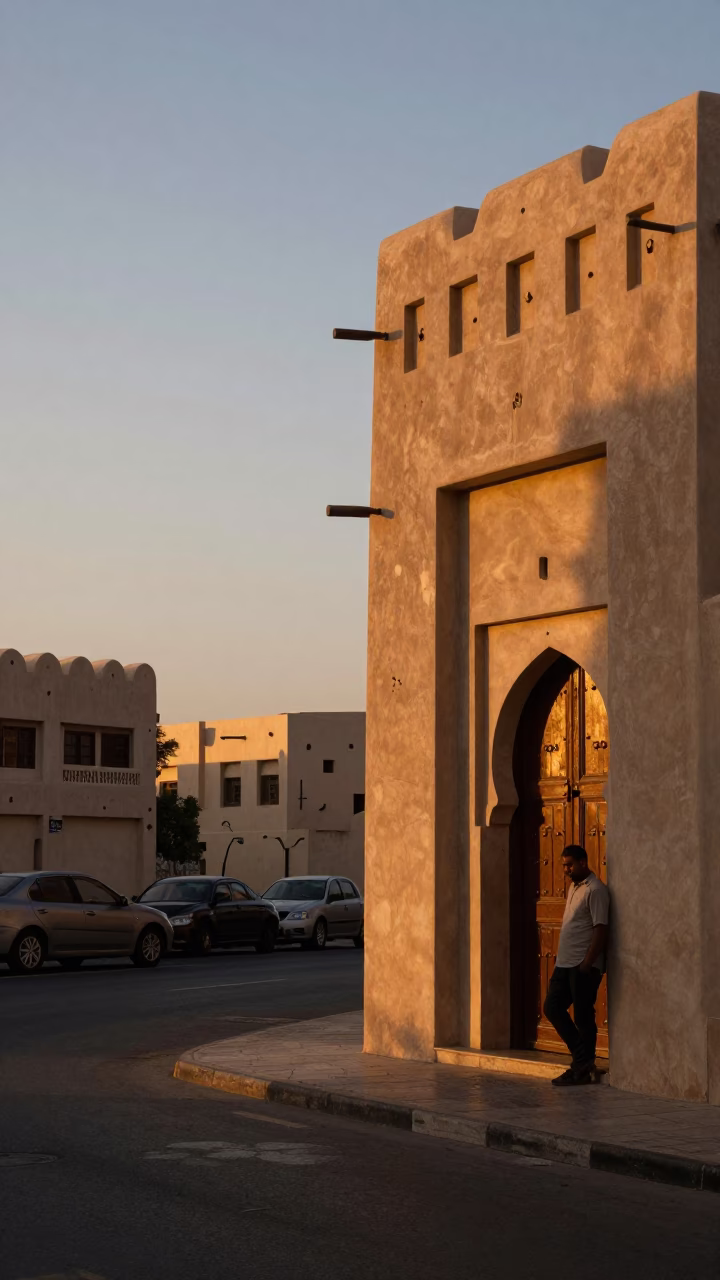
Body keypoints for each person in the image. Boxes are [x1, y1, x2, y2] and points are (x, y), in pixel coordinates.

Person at [543, 844, 609, 1086]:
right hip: (565, 963)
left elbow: (601, 928)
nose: (566, 869)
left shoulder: (596, 890)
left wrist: (588, 962)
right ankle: (582, 1060)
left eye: (570, 864)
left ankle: (581, 1066)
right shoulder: (574, 887)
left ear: (583, 862)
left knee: (583, 1015)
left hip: (583, 965)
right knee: (552, 1007)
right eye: (564, 865)